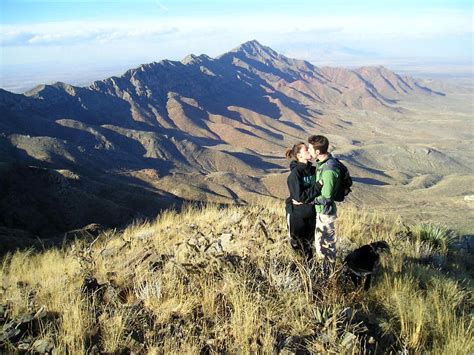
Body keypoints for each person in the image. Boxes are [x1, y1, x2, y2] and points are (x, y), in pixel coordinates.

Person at [307, 135, 341, 275]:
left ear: (317, 152)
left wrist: (308, 200)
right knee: (321, 244)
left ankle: (329, 276)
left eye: (310, 149)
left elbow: (327, 197)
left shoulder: (329, 170)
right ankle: (326, 273)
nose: (308, 151)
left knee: (325, 246)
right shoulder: (323, 163)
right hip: (321, 212)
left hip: (325, 214)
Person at [285, 142, 324, 261]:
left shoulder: (314, 170)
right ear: (299, 155)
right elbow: (299, 197)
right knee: (297, 245)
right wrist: (317, 187)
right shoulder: (295, 174)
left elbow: (304, 197)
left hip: (311, 213)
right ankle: (298, 270)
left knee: (309, 245)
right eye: (306, 150)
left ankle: (309, 271)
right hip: (297, 215)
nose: (309, 151)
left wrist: (308, 198)